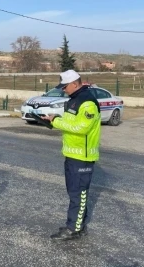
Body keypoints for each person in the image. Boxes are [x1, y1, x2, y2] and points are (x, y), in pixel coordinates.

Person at [40, 69, 101, 241]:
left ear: (75, 84)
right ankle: (78, 224)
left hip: (83, 156)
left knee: (78, 193)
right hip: (72, 154)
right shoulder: (74, 100)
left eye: (65, 87)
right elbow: (70, 122)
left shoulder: (87, 102)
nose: (63, 90)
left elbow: (82, 128)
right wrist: (53, 120)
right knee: (74, 191)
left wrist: (57, 122)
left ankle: (73, 228)